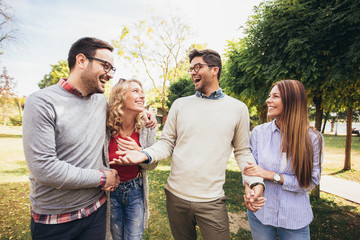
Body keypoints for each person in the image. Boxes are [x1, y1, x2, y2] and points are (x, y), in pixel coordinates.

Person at [112, 49, 265, 240]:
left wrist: (254, 181)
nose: (192, 72)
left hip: (212, 200)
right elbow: (166, 143)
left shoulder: (238, 109)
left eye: (198, 67)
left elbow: (242, 152)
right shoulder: (180, 105)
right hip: (176, 197)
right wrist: (145, 154)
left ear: (215, 69)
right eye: (191, 68)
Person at [22, 37, 156, 240]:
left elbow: (125, 111)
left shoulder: (100, 102)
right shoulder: (41, 102)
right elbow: (44, 168)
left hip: (97, 210)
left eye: (113, 69)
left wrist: (145, 113)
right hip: (56, 218)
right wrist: (103, 178)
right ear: (82, 61)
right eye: (106, 66)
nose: (110, 74)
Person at [243, 80, 323, 240]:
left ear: (291, 102)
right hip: (261, 215)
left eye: (275, 96)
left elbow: (310, 182)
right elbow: (250, 169)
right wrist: (250, 190)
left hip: (295, 220)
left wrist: (270, 175)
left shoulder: (312, 138)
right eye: (269, 96)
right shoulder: (259, 133)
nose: (268, 100)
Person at [105, 78, 157, 240]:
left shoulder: (147, 126)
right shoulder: (105, 125)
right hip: (110, 192)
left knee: (134, 237)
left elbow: (152, 165)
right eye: (135, 91)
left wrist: (141, 154)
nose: (142, 96)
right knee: (117, 236)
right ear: (120, 97)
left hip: (135, 190)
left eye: (142, 92)